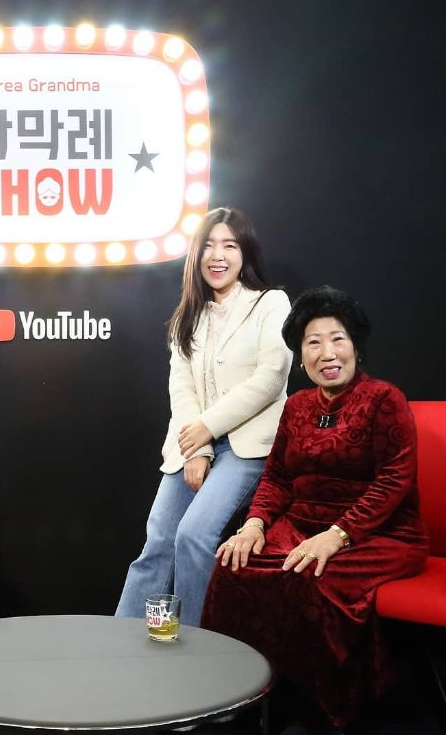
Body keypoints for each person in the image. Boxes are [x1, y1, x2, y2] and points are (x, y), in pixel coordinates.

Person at [202, 286, 428, 732]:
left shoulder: (385, 399)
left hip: (381, 532)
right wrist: (254, 525)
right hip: (302, 523)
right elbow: (277, 477)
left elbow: (393, 481)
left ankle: (320, 709)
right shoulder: (297, 406)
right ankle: (236, 700)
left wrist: (338, 535)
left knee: (311, 579)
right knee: (233, 566)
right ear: (301, 358)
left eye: (337, 339)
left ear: (355, 347)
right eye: (313, 342)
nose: (327, 353)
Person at [116, 207, 293, 625]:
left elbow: (271, 377)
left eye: (229, 245)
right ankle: (122, 642)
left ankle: (196, 646)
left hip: (248, 446)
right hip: (192, 443)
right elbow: (182, 390)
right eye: (209, 246)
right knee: (158, 542)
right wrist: (198, 447)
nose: (218, 255)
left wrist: (208, 429)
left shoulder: (271, 303)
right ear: (196, 255)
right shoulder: (187, 315)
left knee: (193, 536)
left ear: (244, 253)